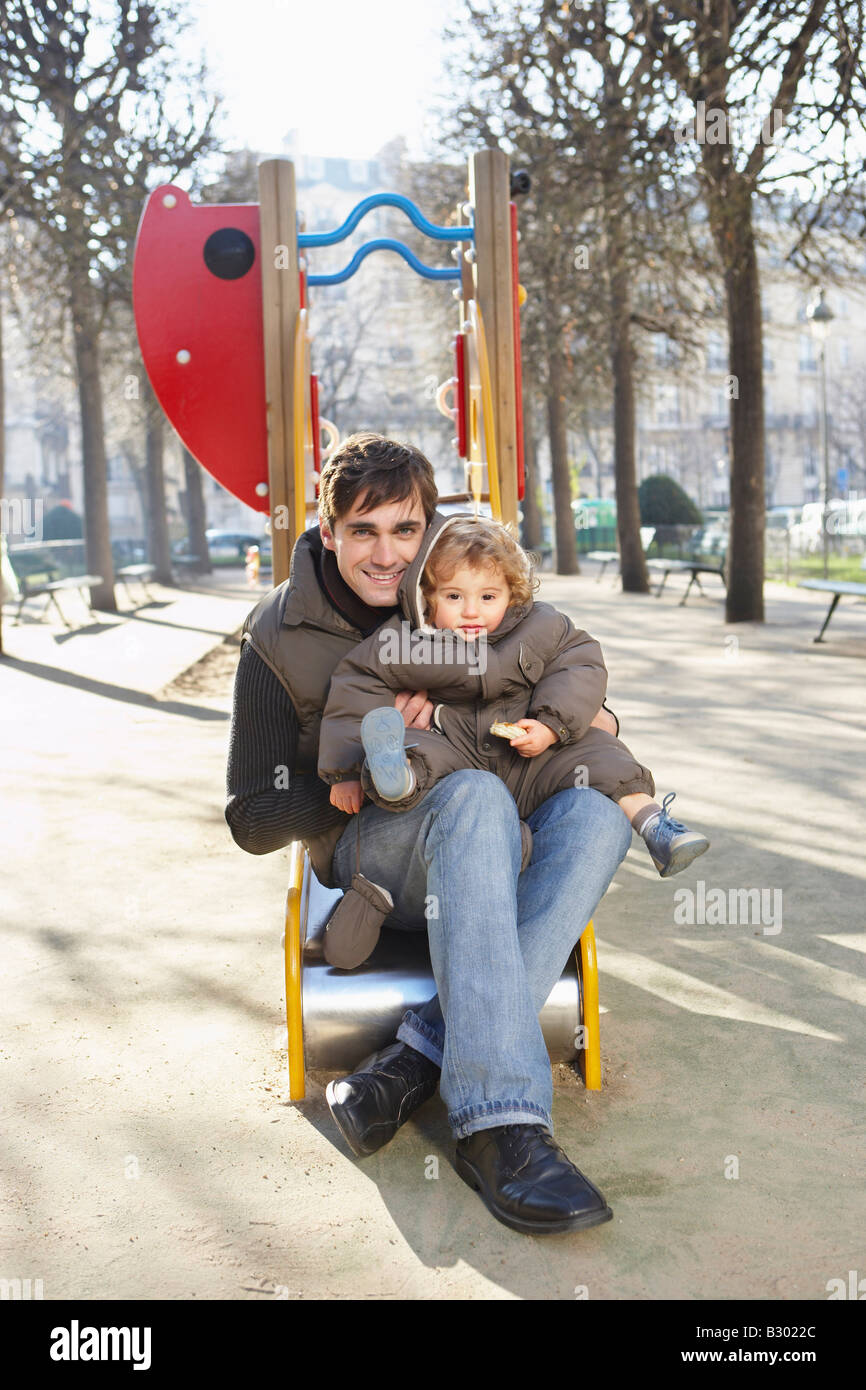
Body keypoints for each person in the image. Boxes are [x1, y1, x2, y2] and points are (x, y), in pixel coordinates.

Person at [225, 432, 633, 1235]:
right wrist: (370, 778)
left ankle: (417, 1057)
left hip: (498, 839)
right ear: (327, 528)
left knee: (595, 811)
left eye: (405, 529)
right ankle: (500, 1128)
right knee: (474, 796)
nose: (386, 554)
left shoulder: (468, 587)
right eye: (362, 530)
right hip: (380, 855)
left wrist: (584, 720)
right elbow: (250, 814)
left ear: (431, 528)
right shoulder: (277, 632)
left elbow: (571, 681)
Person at [319, 514, 709, 905]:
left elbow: (580, 664)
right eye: (454, 597)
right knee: (418, 750)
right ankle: (394, 775)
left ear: (513, 592)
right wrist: (344, 772)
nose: (471, 612)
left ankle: (656, 825)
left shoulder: (542, 626)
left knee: (601, 752)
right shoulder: (408, 640)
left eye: (488, 597)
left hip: (531, 755)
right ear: (428, 597)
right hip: (456, 750)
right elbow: (357, 680)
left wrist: (552, 725)